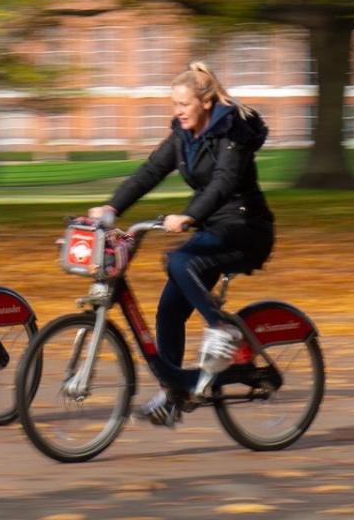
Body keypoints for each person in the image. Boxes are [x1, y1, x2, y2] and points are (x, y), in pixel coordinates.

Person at [90, 59, 274, 427]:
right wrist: (113, 206)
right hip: (212, 230)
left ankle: (222, 329)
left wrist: (189, 215)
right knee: (169, 309)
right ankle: (174, 393)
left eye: (183, 104)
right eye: (174, 105)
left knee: (177, 261)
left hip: (245, 227)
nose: (177, 112)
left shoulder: (230, 133)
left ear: (205, 102)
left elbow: (223, 182)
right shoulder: (182, 137)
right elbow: (150, 172)